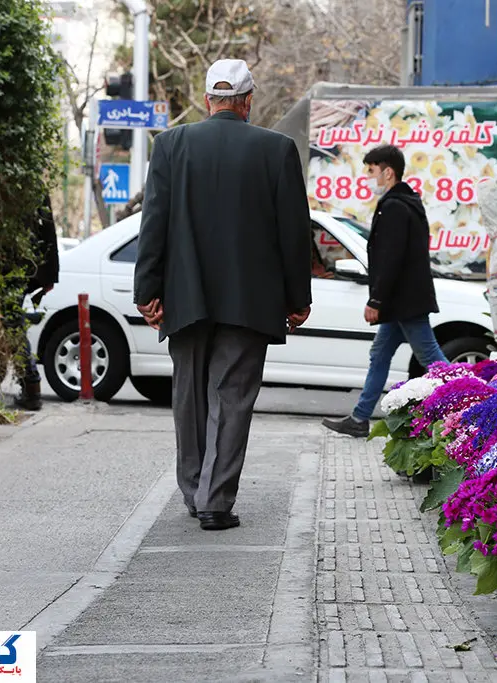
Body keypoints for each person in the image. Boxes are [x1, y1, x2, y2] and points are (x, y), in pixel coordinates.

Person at [134, 59, 312, 531]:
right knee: (231, 397)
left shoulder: (171, 145)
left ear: (208, 99)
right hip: (250, 301)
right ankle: (215, 499)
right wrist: (298, 297)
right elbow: (293, 233)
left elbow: (154, 224)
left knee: (188, 395)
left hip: (184, 296)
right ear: (248, 101)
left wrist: (146, 292)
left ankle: (194, 490)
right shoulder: (276, 150)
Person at [323, 145, 447, 438]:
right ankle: (360, 417)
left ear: (387, 172)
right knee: (380, 354)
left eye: (371, 171)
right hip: (403, 300)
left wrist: (376, 300)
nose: (368, 177)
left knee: (432, 358)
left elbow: (390, 258)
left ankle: (467, 406)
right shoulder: (407, 202)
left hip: (404, 301)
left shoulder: (394, 206)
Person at [17, 195, 59, 411]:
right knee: (10, 322)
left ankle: (31, 384)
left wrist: (50, 274)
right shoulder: (30, 184)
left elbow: (47, 230)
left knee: (11, 322)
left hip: (16, 266)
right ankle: (30, 384)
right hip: (22, 266)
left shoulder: (28, 184)